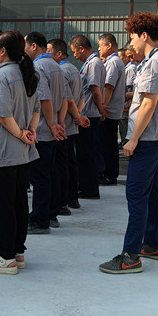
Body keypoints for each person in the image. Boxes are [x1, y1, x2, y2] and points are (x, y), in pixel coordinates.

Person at [99, 12, 158, 275]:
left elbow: (149, 103)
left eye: (132, 37)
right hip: (156, 136)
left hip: (147, 138)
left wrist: (133, 139)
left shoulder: (154, 63)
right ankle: (153, 244)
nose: (131, 43)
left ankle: (130, 256)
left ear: (144, 35)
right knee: (154, 192)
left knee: (136, 194)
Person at [0, 30, 40, 274]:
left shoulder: (1, 76)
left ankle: (5, 257)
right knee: (18, 202)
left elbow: (3, 115)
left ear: (2, 51)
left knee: (3, 205)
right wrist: (30, 131)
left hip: (2, 151)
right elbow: (36, 109)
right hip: (22, 151)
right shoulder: (26, 73)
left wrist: (22, 134)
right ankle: (17, 252)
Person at [25, 32, 67, 234]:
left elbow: (44, 99)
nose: (24, 50)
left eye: (25, 45)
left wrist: (51, 123)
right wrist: (59, 122)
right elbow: (65, 99)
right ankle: (50, 213)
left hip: (42, 129)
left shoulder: (38, 67)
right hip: (51, 128)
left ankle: (40, 220)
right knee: (50, 173)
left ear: (34, 46)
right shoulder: (56, 66)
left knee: (40, 176)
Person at [48, 38, 90, 212]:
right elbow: (82, 97)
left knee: (61, 164)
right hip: (71, 124)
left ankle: (63, 202)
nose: (46, 54)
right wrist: (78, 116)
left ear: (59, 53)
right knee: (70, 162)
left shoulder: (61, 71)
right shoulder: (73, 69)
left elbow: (68, 100)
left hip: (63, 124)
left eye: (49, 51)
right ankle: (73, 198)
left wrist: (77, 116)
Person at [69, 35, 105, 199]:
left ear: (82, 48)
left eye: (75, 51)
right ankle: (84, 185)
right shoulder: (90, 63)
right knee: (83, 153)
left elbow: (95, 90)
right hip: (88, 114)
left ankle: (90, 189)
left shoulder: (94, 63)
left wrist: (101, 109)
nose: (74, 55)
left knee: (87, 154)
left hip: (90, 114)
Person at [97, 33, 126, 186]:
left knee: (107, 145)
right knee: (109, 143)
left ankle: (109, 174)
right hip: (112, 110)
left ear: (108, 45)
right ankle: (109, 173)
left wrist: (102, 107)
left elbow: (108, 87)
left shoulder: (113, 62)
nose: (98, 49)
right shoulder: (115, 61)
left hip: (109, 111)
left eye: (100, 46)